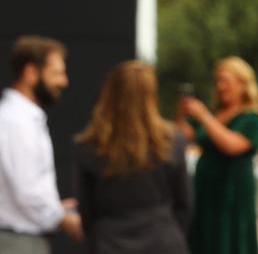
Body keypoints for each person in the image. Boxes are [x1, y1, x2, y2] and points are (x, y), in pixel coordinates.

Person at [73, 60, 191, 253]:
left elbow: (86, 212)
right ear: (151, 95)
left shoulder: (90, 145)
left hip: (109, 243)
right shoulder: (172, 140)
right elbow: (184, 205)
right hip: (163, 241)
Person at [177, 56, 258, 254]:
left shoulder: (253, 118)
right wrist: (183, 113)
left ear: (242, 84)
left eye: (225, 81)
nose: (220, 86)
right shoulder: (215, 113)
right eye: (217, 80)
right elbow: (183, 136)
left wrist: (203, 116)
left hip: (233, 193)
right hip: (206, 191)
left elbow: (232, 146)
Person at [0, 36, 82, 253]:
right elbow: (27, 191)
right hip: (18, 243)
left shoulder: (20, 118)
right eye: (56, 73)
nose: (64, 82)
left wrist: (55, 208)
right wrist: (63, 218)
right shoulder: (17, 121)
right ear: (30, 73)